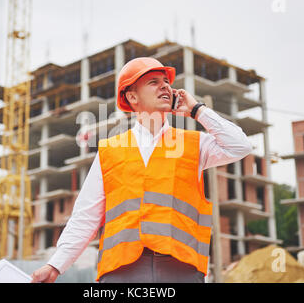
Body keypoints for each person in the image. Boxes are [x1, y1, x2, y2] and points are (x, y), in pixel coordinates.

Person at [31, 57, 252, 283]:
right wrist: (55, 265)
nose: (165, 86)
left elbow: (240, 146)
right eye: (153, 82)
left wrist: (197, 110)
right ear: (132, 96)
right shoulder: (110, 151)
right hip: (121, 271)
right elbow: (86, 216)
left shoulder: (195, 144)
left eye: (166, 81)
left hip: (181, 270)